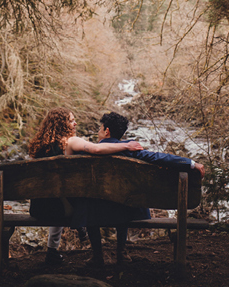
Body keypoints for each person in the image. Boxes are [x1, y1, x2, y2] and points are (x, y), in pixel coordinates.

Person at [79, 111, 205, 266]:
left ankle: (97, 254)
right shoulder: (130, 150)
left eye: (99, 129)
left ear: (107, 131)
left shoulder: (89, 152)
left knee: (92, 204)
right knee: (123, 200)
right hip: (127, 210)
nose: (98, 133)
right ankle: (121, 251)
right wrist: (191, 163)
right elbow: (159, 158)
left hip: (97, 211)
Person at [27, 108, 144, 265]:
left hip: (40, 208)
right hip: (63, 210)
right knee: (89, 201)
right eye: (71, 120)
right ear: (61, 124)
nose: (75, 123)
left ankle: (52, 252)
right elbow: (95, 148)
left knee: (57, 194)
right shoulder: (69, 142)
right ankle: (109, 251)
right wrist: (125, 146)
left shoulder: (39, 146)